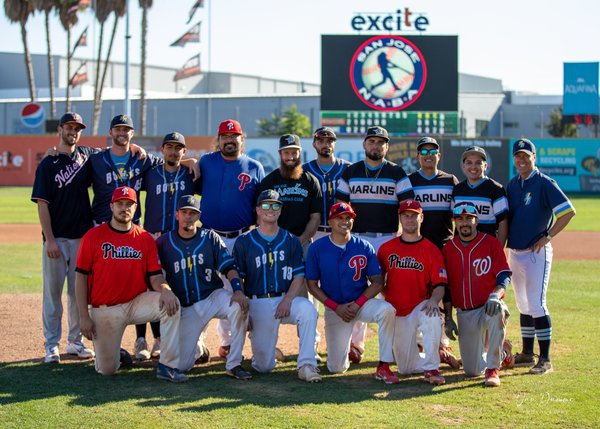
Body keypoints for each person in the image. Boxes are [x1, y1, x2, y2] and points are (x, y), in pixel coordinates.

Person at [75, 186, 186, 382]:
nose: (124, 208)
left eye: (129, 204)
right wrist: (83, 316)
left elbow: (155, 276)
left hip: (136, 303)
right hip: (106, 309)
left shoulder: (144, 238)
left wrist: (166, 290)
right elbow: (81, 277)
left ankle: (168, 366)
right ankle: (115, 350)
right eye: (120, 204)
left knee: (172, 304)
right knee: (107, 370)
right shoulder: (93, 236)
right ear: (111, 206)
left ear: (135, 208)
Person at [335, 125, 414, 363]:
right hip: (358, 237)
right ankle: (355, 344)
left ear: (387, 146)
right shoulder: (351, 171)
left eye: (381, 142)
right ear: (364, 144)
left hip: (388, 237)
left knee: (391, 290)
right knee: (357, 288)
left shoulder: (396, 172)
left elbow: (408, 207)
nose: (376, 146)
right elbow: (340, 207)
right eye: (372, 141)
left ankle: (394, 346)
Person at [157, 195, 252, 380]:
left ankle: (234, 364)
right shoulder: (164, 242)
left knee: (239, 305)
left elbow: (229, 267)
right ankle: (198, 349)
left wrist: (238, 290)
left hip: (212, 297)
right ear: (177, 215)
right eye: (184, 212)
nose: (188, 217)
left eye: (192, 213)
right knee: (182, 366)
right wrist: (165, 290)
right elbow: (154, 273)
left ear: (199, 216)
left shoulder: (209, 237)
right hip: (186, 306)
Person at [233, 190, 321, 382]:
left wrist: (288, 299)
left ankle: (307, 365)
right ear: (258, 210)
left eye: (275, 205)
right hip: (258, 302)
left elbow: (299, 275)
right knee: (264, 367)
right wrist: (246, 312)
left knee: (308, 310)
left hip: (286, 298)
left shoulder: (291, 240)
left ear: (280, 210)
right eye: (265, 205)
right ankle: (266, 350)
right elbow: (237, 277)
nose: (270, 209)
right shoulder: (244, 241)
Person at [306, 202, 399, 384]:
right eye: (339, 218)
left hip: (361, 304)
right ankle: (345, 347)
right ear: (330, 222)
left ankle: (384, 366)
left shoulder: (364, 246)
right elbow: (312, 284)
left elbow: (378, 282)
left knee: (387, 310)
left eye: (348, 218)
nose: (345, 221)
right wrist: (335, 307)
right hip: (335, 308)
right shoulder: (317, 247)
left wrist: (357, 304)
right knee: (336, 368)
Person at [196, 119, 265, 359]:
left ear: (241, 139)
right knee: (204, 288)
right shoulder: (206, 162)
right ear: (218, 140)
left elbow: (260, 206)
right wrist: (188, 161)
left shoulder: (254, 166)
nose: (229, 140)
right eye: (225, 136)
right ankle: (198, 343)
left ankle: (230, 343)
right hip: (208, 235)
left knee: (237, 289)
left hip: (241, 236)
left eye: (234, 136)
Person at [506, 139, 576, 375]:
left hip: (536, 252)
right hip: (515, 252)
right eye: (518, 156)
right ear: (514, 158)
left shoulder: (544, 182)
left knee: (537, 304)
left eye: (526, 155)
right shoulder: (513, 184)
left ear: (534, 158)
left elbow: (568, 212)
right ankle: (527, 353)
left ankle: (545, 359)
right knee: (523, 304)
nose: (522, 160)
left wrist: (548, 236)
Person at [31, 112, 96, 363]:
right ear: (60, 129)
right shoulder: (48, 164)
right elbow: (42, 204)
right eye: (69, 127)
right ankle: (51, 345)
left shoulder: (86, 156)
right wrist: (50, 239)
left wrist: (135, 147)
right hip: (56, 239)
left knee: (77, 295)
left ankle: (75, 342)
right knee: (53, 295)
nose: (73, 131)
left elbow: (115, 151)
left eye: (77, 128)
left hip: (81, 239)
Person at [134, 131, 197, 361]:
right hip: (152, 236)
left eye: (178, 148)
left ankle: (162, 339)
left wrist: (192, 162)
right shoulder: (150, 173)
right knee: (147, 287)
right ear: (162, 150)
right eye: (169, 147)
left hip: (176, 239)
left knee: (173, 286)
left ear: (184, 151)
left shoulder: (191, 174)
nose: (173, 151)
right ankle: (141, 339)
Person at [442, 202, 514, 387]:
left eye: (469, 218)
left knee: (497, 310)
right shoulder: (448, 249)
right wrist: (448, 318)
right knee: (472, 370)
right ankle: (503, 352)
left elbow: (504, 274)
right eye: (460, 219)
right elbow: (446, 288)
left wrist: (496, 294)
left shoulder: (490, 243)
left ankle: (493, 369)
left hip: (488, 305)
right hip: (465, 312)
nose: (464, 223)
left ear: (477, 220)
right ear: (455, 222)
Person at [377, 199, 447, 385]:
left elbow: (440, 285)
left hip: (420, 306)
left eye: (414, 216)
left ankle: (432, 368)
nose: (409, 219)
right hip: (396, 311)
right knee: (406, 368)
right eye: (405, 215)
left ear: (421, 218)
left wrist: (434, 300)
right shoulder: (386, 249)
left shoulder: (431, 250)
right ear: (400, 218)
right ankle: (437, 355)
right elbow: (377, 281)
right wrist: (385, 296)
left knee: (432, 315)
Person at [408, 136, 461, 369]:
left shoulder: (450, 180)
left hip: (444, 245)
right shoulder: (410, 181)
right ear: (418, 156)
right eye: (424, 152)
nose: (428, 155)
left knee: (445, 292)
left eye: (432, 151)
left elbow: (459, 215)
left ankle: (443, 344)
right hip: (418, 246)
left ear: (439, 155)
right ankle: (420, 341)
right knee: (419, 293)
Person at [88, 115, 163, 225]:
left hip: (132, 224)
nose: (122, 133)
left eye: (125, 130)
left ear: (132, 133)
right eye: (118, 129)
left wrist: (187, 162)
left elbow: (170, 165)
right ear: (110, 132)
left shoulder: (142, 158)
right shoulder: (96, 159)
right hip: (102, 223)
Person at [258, 134, 322, 252]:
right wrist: (272, 239)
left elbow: (315, 217)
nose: (290, 157)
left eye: (294, 153)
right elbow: (260, 215)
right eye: (286, 153)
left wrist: (301, 240)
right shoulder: (269, 181)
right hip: (274, 243)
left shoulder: (311, 181)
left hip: (303, 243)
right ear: (280, 154)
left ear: (299, 153)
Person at [452, 146, 509, 245]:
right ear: (463, 166)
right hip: (462, 248)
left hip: (487, 248)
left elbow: (503, 222)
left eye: (478, 163)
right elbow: (453, 220)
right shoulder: (457, 189)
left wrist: (498, 250)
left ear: (485, 166)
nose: (473, 167)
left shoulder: (496, 189)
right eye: (469, 163)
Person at [303, 127, 350, 241]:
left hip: (343, 229)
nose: (326, 144)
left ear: (335, 144)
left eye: (330, 141)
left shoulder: (348, 168)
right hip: (314, 231)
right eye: (321, 141)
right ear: (314, 144)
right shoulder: (304, 170)